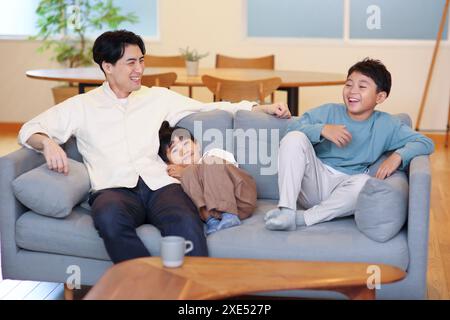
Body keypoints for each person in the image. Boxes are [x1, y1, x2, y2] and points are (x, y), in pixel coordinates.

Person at [18, 30, 291, 263]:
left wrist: (260, 107)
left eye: (142, 61)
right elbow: (29, 129)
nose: (139, 69)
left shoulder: (156, 97)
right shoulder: (81, 106)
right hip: (113, 189)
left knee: (186, 222)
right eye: (131, 62)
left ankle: (195, 296)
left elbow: (211, 106)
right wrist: (47, 144)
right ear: (107, 66)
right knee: (109, 220)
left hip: (160, 185)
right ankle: (147, 287)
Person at [265, 58, 434, 231]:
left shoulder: (388, 124)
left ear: (380, 96)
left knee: (364, 183)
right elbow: (290, 131)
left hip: (347, 188)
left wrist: (398, 157)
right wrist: (322, 129)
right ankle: (286, 210)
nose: (352, 91)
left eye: (362, 87)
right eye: (348, 84)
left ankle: (303, 219)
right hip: (314, 180)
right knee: (294, 137)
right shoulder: (329, 111)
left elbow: (425, 142)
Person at [158, 121, 257, 235]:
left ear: (197, 145)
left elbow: (224, 174)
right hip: (216, 213)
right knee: (188, 175)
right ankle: (211, 221)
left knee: (209, 163)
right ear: (169, 162)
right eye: (175, 150)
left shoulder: (212, 154)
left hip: (241, 198)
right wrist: (184, 174)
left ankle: (229, 215)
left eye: (186, 144)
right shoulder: (182, 177)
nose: (183, 151)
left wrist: (185, 171)